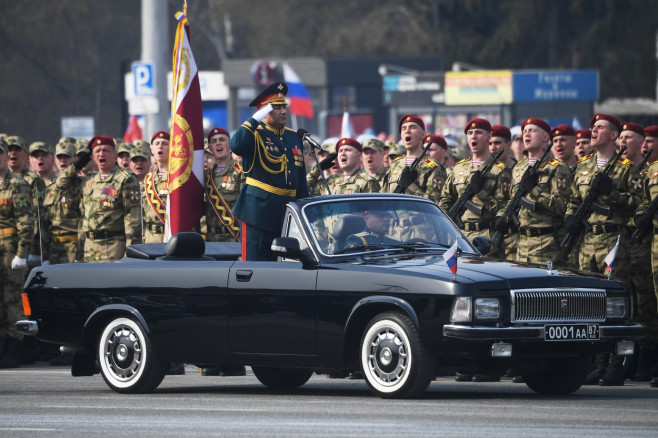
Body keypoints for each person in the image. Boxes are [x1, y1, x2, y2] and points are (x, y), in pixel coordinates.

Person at [565, 114, 643, 387]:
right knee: (589, 304)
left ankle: (617, 364)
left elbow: (638, 203)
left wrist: (612, 194)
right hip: (587, 242)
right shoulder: (583, 166)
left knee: (614, 303)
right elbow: (573, 199)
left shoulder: (624, 168)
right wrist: (570, 216)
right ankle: (597, 363)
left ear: (613, 135)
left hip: (613, 243)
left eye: (600, 128)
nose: (593, 131)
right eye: (593, 127)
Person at [229, 82, 309, 261]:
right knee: (256, 266)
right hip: (258, 213)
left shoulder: (293, 137)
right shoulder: (254, 133)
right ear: (264, 112)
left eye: (284, 107)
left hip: (286, 214)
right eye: (276, 108)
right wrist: (253, 120)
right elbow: (236, 145)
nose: (283, 111)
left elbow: (300, 179)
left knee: (284, 268)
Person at [495, 118, 571, 264]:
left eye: (532, 130)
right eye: (525, 131)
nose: (527, 134)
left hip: (547, 243)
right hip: (522, 243)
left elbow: (562, 206)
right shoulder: (518, 168)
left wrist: (535, 190)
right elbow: (512, 199)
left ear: (545, 137)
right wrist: (501, 215)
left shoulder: (557, 168)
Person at [59, 135, 142, 261]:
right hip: (89, 248)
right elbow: (61, 184)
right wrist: (77, 165)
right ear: (92, 157)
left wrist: (131, 253)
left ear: (114, 154)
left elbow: (133, 219)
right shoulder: (89, 179)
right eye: (97, 151)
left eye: (106, 150)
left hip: (113, 248)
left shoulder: (126, 179)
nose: (101, 154)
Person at [439, 118, 511, 242]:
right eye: (470, 133)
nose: (473, 136)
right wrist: (446, 220)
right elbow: (446, 198)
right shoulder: (459, 167)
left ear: (489, 137)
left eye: (478, 132)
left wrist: (482, 193)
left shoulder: (500, 170)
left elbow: (505, 208)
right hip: (460, 236)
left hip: (487, 235)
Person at [0, 138, 35, 368]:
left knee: (13, 301)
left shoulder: (17, 184)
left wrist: (22, 253)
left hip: (10, 248)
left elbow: (26, 221)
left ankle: (16, 348)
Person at [628, 124, 658, 386]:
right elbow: (645, 200)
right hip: (651, 240)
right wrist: (642, 216)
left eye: (650, 141)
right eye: (645, 142)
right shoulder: (652, 171)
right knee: (646, 301)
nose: (646, 146)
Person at [382, 115, 445, 203]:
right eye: (403, 129)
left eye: (412, 127)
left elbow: (434, 203)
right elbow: (384, 196)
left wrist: (411, 186)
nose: (407, 131)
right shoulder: (395, 164)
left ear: (423, 134)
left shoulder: (432, 167)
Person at [5, 136, 46, 270]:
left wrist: (34, 250)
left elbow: (38, 216)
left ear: (26, 155)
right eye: (10, 149)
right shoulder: (3, 179)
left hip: (26, 245)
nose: (13, 153)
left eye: (17, 149)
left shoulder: (33, 180)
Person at [44, 140, 82, 265]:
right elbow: (46, 222)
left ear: (75, 159)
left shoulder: (82, 185)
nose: (63, 161)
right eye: (60, 157)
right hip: (54, 247)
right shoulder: (51, 186)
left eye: (67, 157)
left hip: (74, 247)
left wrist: (81, 251)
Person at [205, 127, 244, 242]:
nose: (218, 143)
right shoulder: (206, 175)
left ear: (230, 144)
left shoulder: (241, 170)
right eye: (213, 141)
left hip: (234, 237)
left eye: (222, 139)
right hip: (211, 240)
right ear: (210, 148)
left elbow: (247, 205)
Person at [142, 131, 169, 244]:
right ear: (152, 149)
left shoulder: (179, 178)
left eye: (165, 143)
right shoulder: (148, 179)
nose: (160, 146)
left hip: (172, 236)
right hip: (151, 239)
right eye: (157, 143)